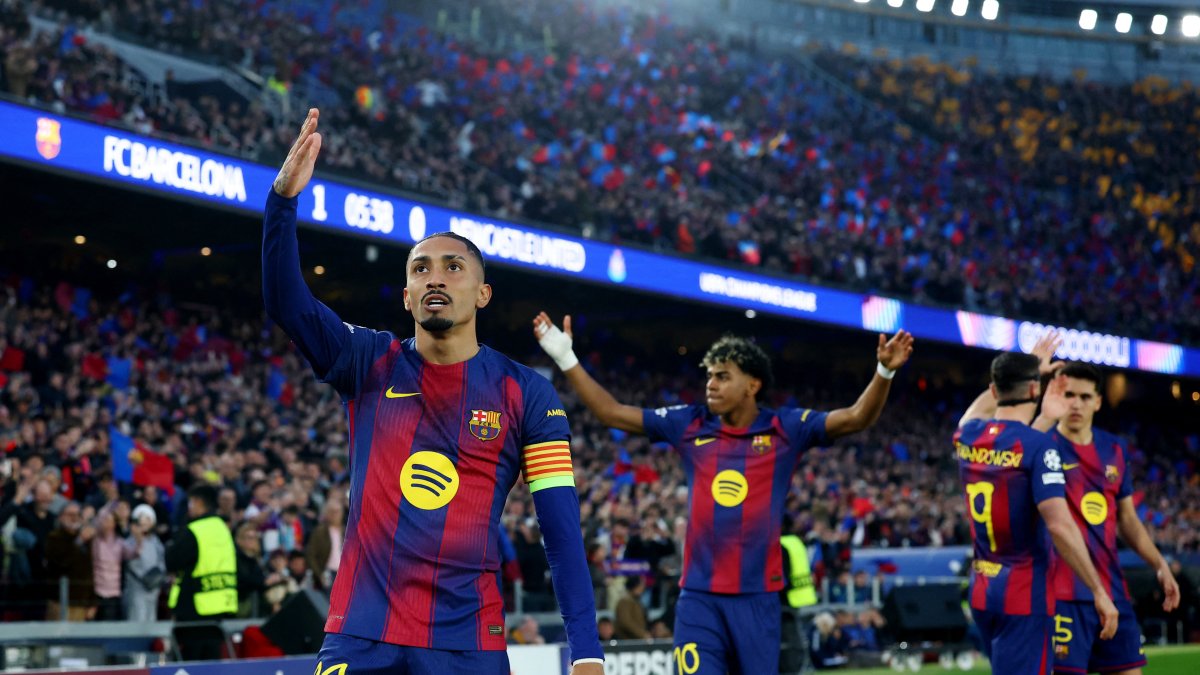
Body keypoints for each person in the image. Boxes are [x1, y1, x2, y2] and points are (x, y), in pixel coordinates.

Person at [263, 109, 602, 675]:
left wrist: (586, 650)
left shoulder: (530, 397)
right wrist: (281, 203)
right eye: (420, 269)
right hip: (361, 633)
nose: (435, 278)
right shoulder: (367, 360)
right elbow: (285, 302)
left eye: (452, 267)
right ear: (406, 296)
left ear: (483, 294)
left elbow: (561, 532)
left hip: (469, 641)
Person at [534, 313, 913, 675]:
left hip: (758, 601)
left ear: (753, 384)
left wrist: (884, 371)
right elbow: (612, 412)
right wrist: (566, 357)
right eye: (710, 376)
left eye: (723, 376)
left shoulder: (786, 428)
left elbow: (855, 417)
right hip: (698, 599)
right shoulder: (689, 423)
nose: (711, 384)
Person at [956, 349, 1118, 675]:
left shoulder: (968, 435)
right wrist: (1099, 590)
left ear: (993, 390)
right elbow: (1060, 527)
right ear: (1034, 390)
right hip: (1024, 593)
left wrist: (1043, 413)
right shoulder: (1040, 446)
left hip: (983, 590)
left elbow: (1003, 435)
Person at [1042, 363, 1178, 675]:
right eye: (1069, 394)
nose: (1076, 403)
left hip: (1113, 591)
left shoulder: (1114, 449)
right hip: (1063, 594)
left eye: (1085, 396)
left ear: (1099, 402)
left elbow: (1128, 520)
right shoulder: (1042, 445)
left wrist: (1159, 564)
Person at [165, 484, 238, 660]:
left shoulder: (195, 530)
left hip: (194, 606)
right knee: (212, 662)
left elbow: (172, 560)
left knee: (191, 663)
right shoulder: (223, 528)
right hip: (220, 604)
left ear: (198, 503)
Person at [44, 501, 95, 620]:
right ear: (61, 517)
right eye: (70, 514)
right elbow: (62, 562)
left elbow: (89, 571)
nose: (74, 518)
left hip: (81, 602)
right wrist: (79, 541)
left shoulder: (86, 539)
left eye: (77, 515)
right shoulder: (54, 537)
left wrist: (92, 601)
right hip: (59, 601)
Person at [124, 504, 165, 622]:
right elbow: (132, 563)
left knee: (151, 619)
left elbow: (161, 560)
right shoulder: (130, 541)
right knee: (137, 619)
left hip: (154, 589)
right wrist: (146, 578)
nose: (145, 522)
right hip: (137, 588)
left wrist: (158, 576)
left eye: (148, 519)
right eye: (142, 518)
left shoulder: (156, 541)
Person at [614, 576, 650, 640]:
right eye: (641, 585)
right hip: (627, 641)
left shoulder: (636, 601)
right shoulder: (625, 601)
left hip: (636, 639)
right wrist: (642, 634)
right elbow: (625, 622)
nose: (643, 588)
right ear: (634, 586)